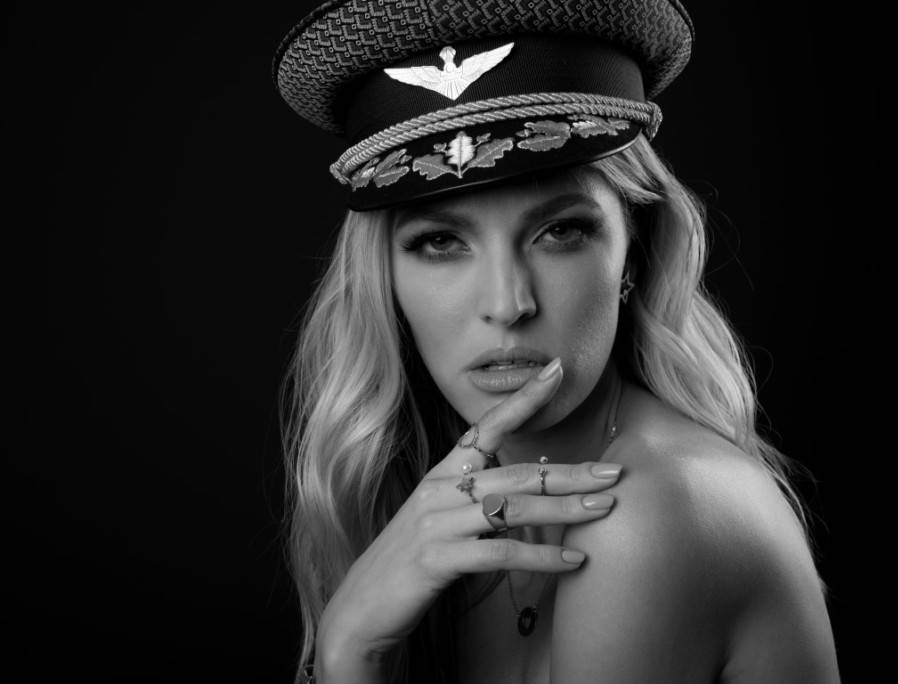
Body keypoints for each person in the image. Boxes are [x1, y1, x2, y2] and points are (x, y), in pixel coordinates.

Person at [273, 2, 840, 682]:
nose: (508, 304)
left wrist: (348, 653)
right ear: (384, 281)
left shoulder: (651, 513)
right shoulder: (426, 506)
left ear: (633, 255)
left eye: (560, 231)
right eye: (441, 241)